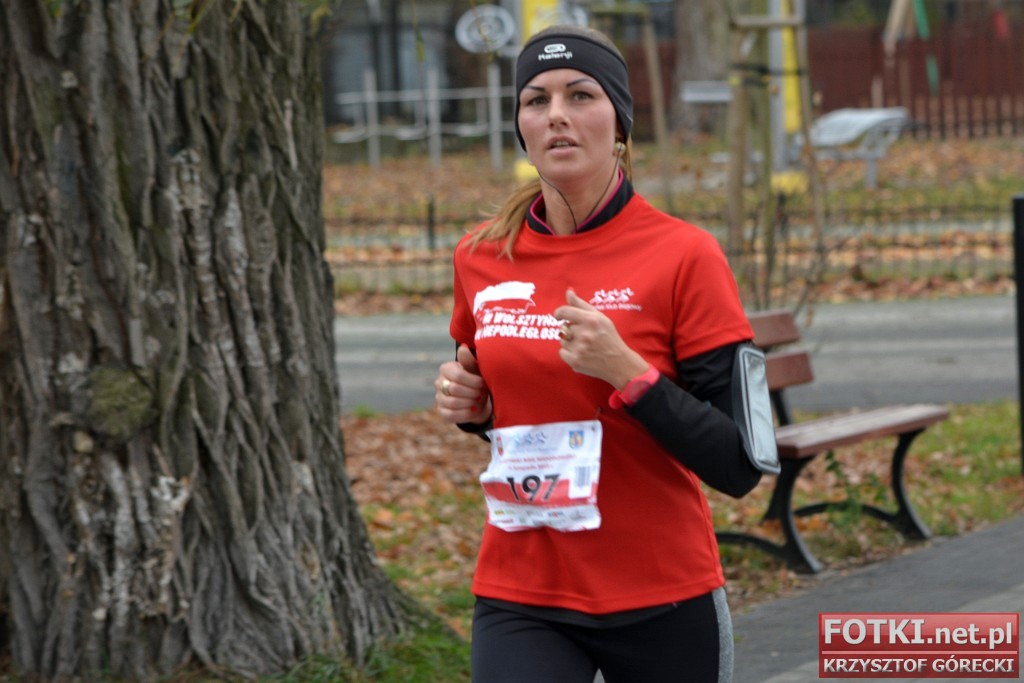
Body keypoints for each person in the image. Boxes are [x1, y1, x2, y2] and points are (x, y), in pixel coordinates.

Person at [435, 23, 764, 683]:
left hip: (661, 590)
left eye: (580, 95)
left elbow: (739, 463)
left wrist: (628, 373)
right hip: (524, 589)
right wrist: (477, 410)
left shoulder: (685, 254)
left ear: (620, 125)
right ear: (521, 128)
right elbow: (517, 416)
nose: (556, 114)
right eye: (536, 100)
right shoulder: (481, 256)